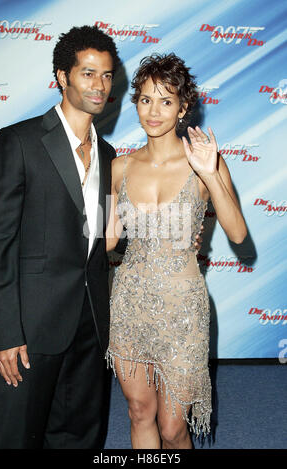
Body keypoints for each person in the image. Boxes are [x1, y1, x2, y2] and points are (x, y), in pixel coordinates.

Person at [0, 25, 120, 449]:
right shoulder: (19, 141)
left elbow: (99, 236)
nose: (99, 86)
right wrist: (5, 333)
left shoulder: (109, 153)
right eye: (87, 73)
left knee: (79, 435)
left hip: (90, 323)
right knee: (12, 436)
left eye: (107, 75)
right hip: (30, 325)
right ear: (62, 77)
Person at [105, 53, 247, 449]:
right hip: (130, 301)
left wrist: (209, 173)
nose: (153, 110)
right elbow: (106, 239)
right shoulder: (119, 168)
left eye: (166, 100)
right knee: (138, 412)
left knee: (173, 428)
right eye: (146, 99)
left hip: (183, 307)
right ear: (135, 103)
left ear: (183, 108)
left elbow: (237, 234)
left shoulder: (205, 161)